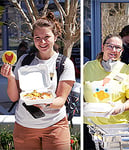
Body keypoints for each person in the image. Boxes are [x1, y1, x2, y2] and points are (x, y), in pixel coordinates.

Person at [0, 12, 75, 150]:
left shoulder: (65, 64)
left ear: (55, 37)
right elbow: (14, 97)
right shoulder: (24, 61)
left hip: (55, 127)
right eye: (38, 38)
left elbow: (60, 100)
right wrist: (10, 77)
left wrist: (44, 102)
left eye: (47, 37)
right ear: (33, 39)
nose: (42, 42)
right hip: (24, 127)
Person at [83, 34, 129, 150]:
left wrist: (121, 108)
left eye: (118, 48)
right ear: (103, 48)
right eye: (110, 46)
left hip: (117, 128)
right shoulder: (88, 68)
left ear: (121, 51)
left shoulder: (127, 71)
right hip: (91, 127)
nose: (114, 50)